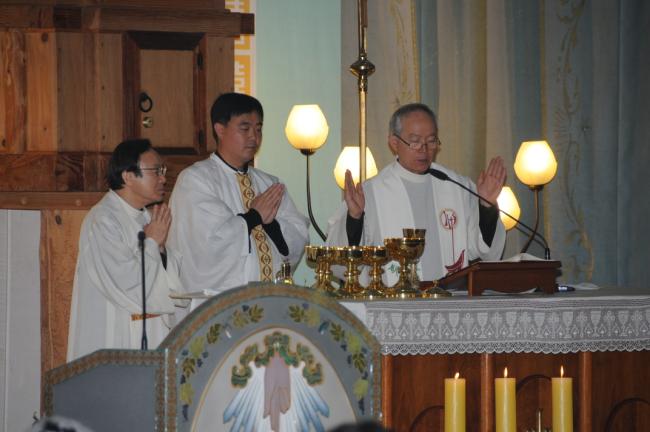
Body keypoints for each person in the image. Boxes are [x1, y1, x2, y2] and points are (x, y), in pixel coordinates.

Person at [326, 103, 506, 284]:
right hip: (393, 298)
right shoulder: (371, 192)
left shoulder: (457, 186)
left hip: (450, 296)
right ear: (394, 143)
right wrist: (355, 218)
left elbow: (483, 249)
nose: (424, 149)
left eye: (431, 141)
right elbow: (342, 264)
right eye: (415, 141)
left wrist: (486, 206)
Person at [168, 93, 309, 293]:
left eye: (258, 129)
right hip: (221, 300)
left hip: (270, 297)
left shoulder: (270, 184)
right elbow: (206, 245)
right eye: (245, 128)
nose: (254, 137)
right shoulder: (196, 179)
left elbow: (296, 239)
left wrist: (271, 225)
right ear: (220, 129)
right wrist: (254, 217)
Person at [67, 139, 186, 361]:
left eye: (163, 171)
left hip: (155, 336)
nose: (163, 178)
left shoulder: (148, 218)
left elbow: (172, 288)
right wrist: (152, 242)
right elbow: (127, 284)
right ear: (128, 176)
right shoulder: (103, 220)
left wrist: (161, 249)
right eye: (156, 171)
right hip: (117, 337)